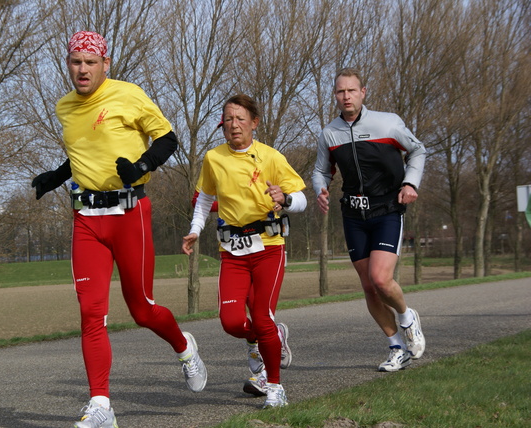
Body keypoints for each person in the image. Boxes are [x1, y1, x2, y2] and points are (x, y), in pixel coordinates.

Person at [31, 31, 207, 428]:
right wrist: (57, 177)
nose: (82, 69)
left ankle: (184, 347)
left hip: (129, 214)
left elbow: (168, 138)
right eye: (76, 61)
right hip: (86, 220)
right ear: (68, 64)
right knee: (91, 312)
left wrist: (142, 167)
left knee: (142, 308)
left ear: (105, 65)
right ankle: (101, 406)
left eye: (90, 62)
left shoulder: (129, 95)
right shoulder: (64, 107)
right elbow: (83, 149)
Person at [182, 94, 307, 408]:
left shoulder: (271, 157)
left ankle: (275, 389)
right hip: (232, 252)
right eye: (228, 119)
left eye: (240, 119)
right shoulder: (213, 158)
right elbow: (204, 200)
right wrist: (195, 231)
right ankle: (270, 339)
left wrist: (287, 199)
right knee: (231, 321)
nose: (233, 125)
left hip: (268, 248)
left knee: (262, 316)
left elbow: (301, 198)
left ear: (254, 123)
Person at [311, 67, 426, 372]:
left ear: (363, 93)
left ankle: (407, 318)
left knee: (381, 278)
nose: (346, 96)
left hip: (387, 209)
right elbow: (321, 170)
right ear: (335, 96)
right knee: (368, 286)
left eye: (351, 90)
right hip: (353, 214)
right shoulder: (329, 133)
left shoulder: (387, 123)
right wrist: (319, 189)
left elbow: (417, 151)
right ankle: (396, 348)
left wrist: (410, 184)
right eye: (340, 91)